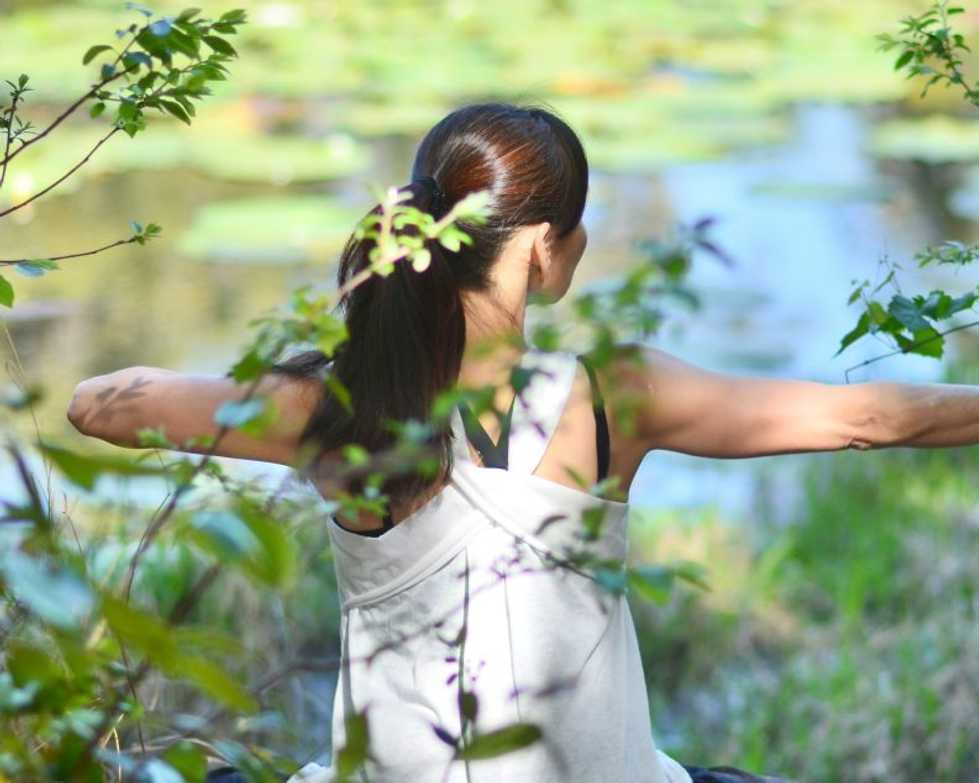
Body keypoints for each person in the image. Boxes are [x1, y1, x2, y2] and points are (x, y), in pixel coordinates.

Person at [67, 101, 979, 783]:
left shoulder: (340, 405)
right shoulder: (613, 395)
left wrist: (290, 383)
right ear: (542, 248)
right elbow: (867, 417)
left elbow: (98, 407)